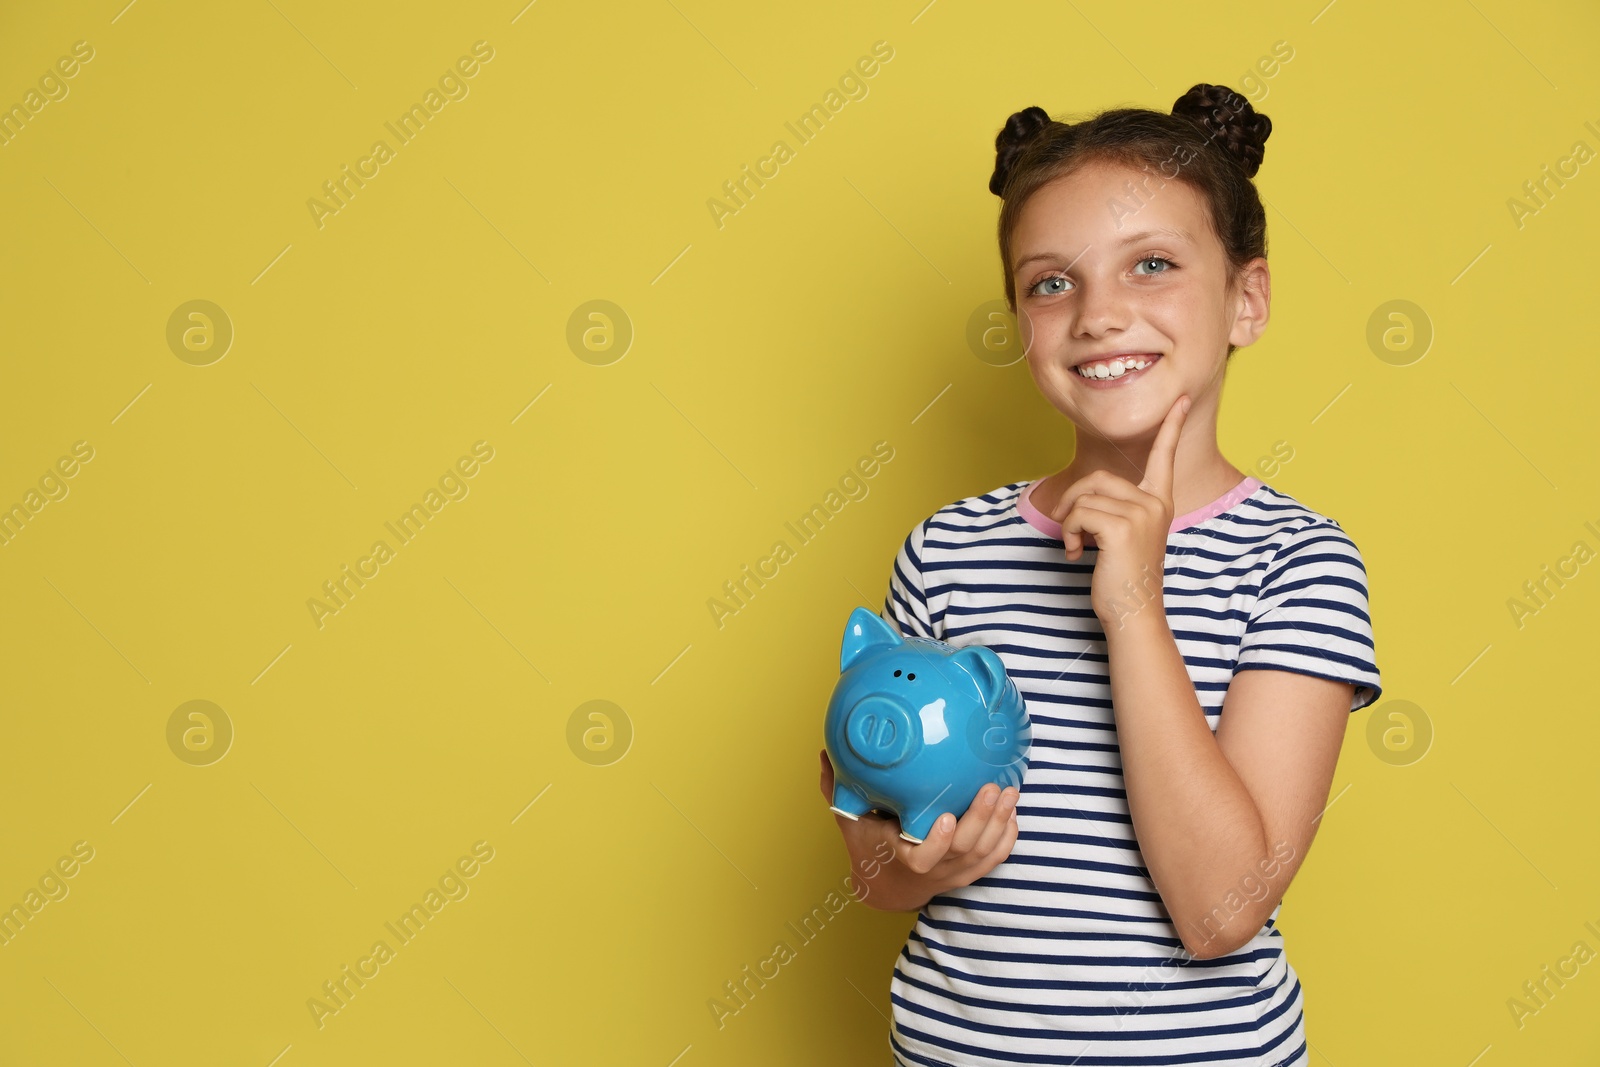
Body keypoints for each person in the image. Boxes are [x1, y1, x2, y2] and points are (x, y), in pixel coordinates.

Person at [819, 83, 1383, 1067]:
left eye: (1152, 265)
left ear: (1244, 299)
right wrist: (922, 860)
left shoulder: (1296, 562)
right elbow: (875, 870)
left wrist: (1131, 602)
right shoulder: (946, 551)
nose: (1098, 314)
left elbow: (1220, 912)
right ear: (1019, 320)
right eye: (1051, 283)